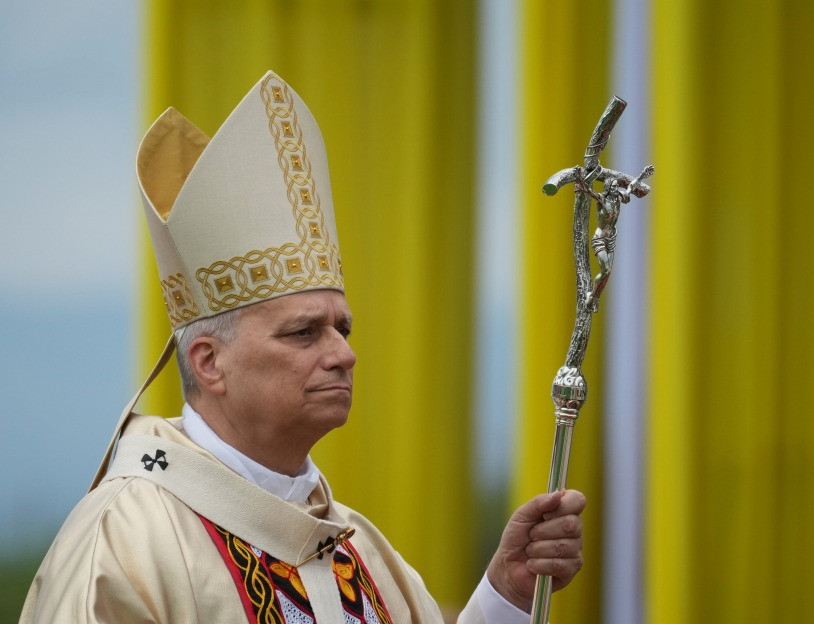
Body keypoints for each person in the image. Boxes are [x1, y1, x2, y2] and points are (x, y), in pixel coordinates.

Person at [19, 71, 585, 624]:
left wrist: (505, 594)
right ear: (210, 362)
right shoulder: (125, 544)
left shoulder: (358, 549)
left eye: (343, 328)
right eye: (304, 332)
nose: (343, 354)